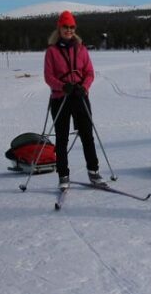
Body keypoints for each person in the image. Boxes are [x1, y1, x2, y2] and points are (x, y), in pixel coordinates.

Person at [44, 10, 104, 190]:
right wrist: (62, 86)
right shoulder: (52, 51)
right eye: (65, 27)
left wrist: (83, 87)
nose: (68, 30)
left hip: (79, 96)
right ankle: (63, 175)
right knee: (62, 139)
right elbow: (48, 77)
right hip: (60, 98)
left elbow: (90, 73)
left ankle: (93, 172)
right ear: (59, 28)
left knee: (87, 136)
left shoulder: (81, 49)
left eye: (71, 27)